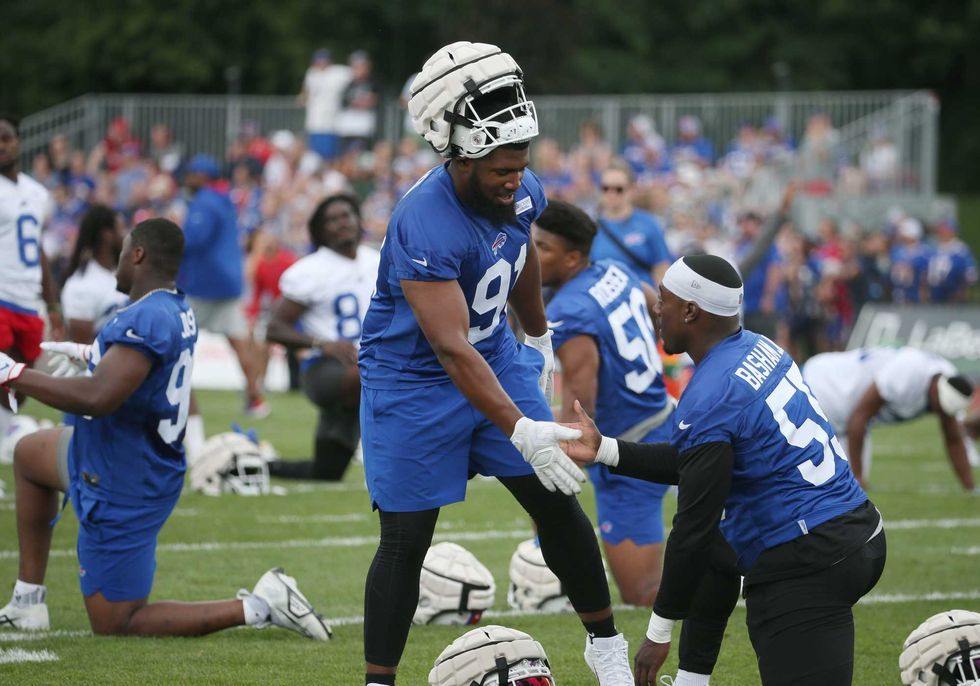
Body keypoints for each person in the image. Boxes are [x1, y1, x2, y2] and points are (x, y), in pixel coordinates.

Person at [358, 41, 633, 685]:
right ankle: (378, 682)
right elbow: (449, 347)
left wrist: (536, 335)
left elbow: (521, 255)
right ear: (457, 156)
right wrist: (520, 427)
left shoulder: (522, 189)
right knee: (405, 538)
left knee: (557, 501)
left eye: (520, 165)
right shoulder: (423, 221)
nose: (514, 180)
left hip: (494, 355)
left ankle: (606, 649)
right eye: (499, 169)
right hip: (413, 381)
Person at [562, 254, 886, 685]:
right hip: (854, 527)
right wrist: (604, 449)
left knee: (705, 539)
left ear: (690, 310)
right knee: (719, 548)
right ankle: (691, 680)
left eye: (663, 299)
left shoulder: (713, 392)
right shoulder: (758, 346)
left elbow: (693, 523)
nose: (655, 308)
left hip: (809, 558)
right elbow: (695, 462)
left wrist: (658, 632)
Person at [0, 218, 330, 641]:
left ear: (137, 255)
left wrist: (15, 374)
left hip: (125, 474)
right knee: (29, 454)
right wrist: (93, 354)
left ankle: (261, 605)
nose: (118, 261)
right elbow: (147, 370)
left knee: (116, 622)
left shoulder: (148, 315)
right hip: (111, 449)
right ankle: (28, 601)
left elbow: (98, 398)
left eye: (124, 252)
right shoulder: (172, 305)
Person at [533, 199, 671, 607]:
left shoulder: (569, 308)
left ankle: (725, 587)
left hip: (630, 450)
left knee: (641, 593)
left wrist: (555, 491)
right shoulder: (615, 269)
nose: (532, 255)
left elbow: (581, 399)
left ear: (572, 258)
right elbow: (653, 303)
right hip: (662, 415)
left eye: (543, 248)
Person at [265, 193, 379, 480]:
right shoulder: (310, 270)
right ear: (320, 230)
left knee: (327, 471)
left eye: (346, 215)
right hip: (327, 370)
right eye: (332, 220)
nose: (341, 223)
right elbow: (274, 328)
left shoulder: (376, 261)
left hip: (366, 366)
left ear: (358, 219)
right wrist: (322, 343)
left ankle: (263, 464)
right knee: (380, 371)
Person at [802, 346, 976, 492]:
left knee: (847, 487)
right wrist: (857, 477)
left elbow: (953, 438)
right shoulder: (907, 373)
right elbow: (859, 417)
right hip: (825, 387)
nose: (941, 414)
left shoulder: (947, 381)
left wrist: (970, 488)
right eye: (941, 407)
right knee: (821, 480)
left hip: (847, 408)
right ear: (935, 391)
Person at [178, 153, 267, 417]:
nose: (188, 178)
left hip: (204, 283)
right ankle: (256, 399)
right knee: (239, 342)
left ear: (202, 176)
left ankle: (171, 392)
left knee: (177, 338)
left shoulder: (204, 201)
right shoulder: (223, 198)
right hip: (227, 281)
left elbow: (193, 240)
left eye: (192, 173)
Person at [0, 113, 64, 454]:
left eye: (6, 138)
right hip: (1, 295)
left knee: (19, 384)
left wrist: (52, 304)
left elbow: (37, 250)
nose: (1, 146)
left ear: (18, 142)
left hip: (27, 300)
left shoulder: (37, 192)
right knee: (4, 375)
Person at [592, 161, 672, 287]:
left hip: (642, 294)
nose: (611, 194)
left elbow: (661, 267)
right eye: (605, 188)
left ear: (631, 189)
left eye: (619, 189)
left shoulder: (648, 223)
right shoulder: (590, 228)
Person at [59, 204, 129, 343]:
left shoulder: (126, 274)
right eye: (121, 229)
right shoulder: (81, 285)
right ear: (107, 235)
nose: (127, 235)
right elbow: (84, 348)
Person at [298, 48, 352, 164]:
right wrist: (302, 98)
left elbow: (357, 73)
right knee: (315, 155)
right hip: (314, 122)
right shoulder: (311, 73)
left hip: (331, 123)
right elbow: (306, 91)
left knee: (331, 156)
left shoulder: (338, 72)